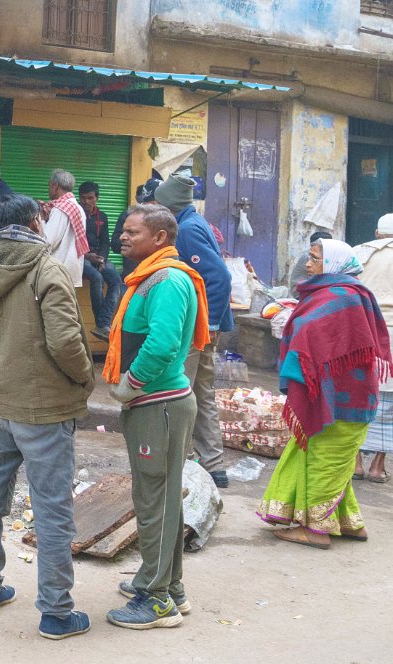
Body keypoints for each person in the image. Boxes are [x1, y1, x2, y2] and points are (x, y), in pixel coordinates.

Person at [0, 195, 93, 641]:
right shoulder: (48, 269)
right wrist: (84, 379)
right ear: (36, 222)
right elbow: (66, 342)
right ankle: (56, 612)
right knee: (52, 511)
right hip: (45, 410)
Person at [103, 204, 209, 630]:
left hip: (158, 404)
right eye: (123, 231)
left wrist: (131, 382)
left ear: (160, 237)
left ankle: (157, 599)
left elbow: (163, 344)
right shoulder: (150, 277)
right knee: (160, 499)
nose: (123, 237)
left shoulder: (167, 280)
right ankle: (170, 586)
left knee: (155, 502)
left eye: (133, 231)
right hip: (154, 404)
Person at [257, 239, 391, 548]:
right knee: (334, 461)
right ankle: (350, 523)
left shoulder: (343, 297)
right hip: (346, 395)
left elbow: (312, 334)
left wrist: (293, 321)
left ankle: (316, 530)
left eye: (315, 259)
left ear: (333, 263)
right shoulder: (340, 293)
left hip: (341, 400)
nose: (308, 264)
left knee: (324, 460)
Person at [153, 169, 234, 490]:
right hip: (201, 325)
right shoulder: (192, 223)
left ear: (168, 206)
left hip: (197, 327)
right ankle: (214, 465)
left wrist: (209, 324)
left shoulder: (186, 230)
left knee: (179, 390)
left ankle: (179, 460)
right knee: (202, 392)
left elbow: (220, 278)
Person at [354, 214, 393, 482]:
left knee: (358, 397)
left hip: (363, 332)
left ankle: (355, 463)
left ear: (377, 233)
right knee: (389, 405)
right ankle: (378, 467)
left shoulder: (360, 253)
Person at [78, 181, 124, 341]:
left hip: (99, 258)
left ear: (96, 198)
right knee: (97, 277)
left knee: (116, 280)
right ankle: (101, 324)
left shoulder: (102, 217)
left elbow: (105, 242)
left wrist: (102, 258)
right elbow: (72, 242)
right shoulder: (75, 214)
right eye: (83, 198)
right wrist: (87, 256)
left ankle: (104, 323)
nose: (86, 202)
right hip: (80, 258)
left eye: (90, 198)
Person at [40, 170, 87, 290]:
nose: (48, 190)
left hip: (58, 272)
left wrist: (41, 220)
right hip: (72, 270)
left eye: (49, 186)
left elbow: (47, 241)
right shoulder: (77, 207)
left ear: (55, 186)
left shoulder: (60, 209)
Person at [112, 180, 161, 277]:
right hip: (133, 274)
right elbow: (115, 245)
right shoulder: (128, 216)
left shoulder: (167, 219)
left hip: (158, 273)